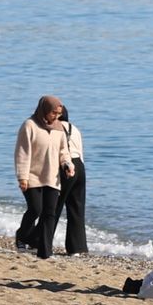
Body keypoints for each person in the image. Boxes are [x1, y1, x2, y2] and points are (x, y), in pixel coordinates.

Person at [14, 96, 68, 259]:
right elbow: (22, 153)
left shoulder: (59, 128)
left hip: (52, 178)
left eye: (59, 114)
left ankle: (45, 252)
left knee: (49, 214)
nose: (56, 117)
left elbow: (63, 151)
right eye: (53, 113)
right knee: (36, 209)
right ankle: (22, 235)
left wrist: (67, 165)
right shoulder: (29, 125)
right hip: (32, 177)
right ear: (44, 109)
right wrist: (23, 177)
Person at [56, 105, 88, 255]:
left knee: (53, 207)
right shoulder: (75, 129)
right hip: (80, 167)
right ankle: (78, 248)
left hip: (65, 166)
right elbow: (81, 152)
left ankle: (43, 242)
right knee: (77, 209)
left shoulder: (55, 128)